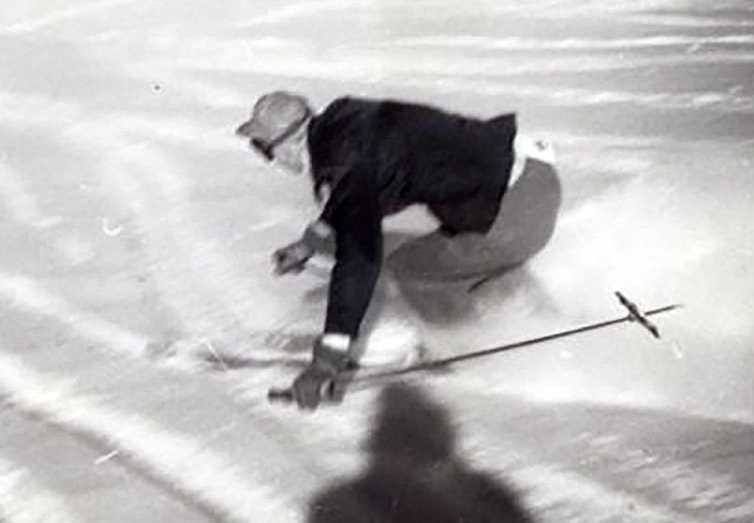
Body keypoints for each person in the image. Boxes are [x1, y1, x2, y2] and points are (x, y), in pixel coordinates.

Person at [237, 92, 560, 409]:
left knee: (404, 266)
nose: (268, 160)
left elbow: (358, 262)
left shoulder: (338, 165)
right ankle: (541, 314)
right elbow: (356, 190)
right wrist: (311, 241)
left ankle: (458, 342)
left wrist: (326, 361)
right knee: (442, 251)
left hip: (512, 214)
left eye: (263, 149)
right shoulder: (344, 118)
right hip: (535, 182)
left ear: (289, 141)